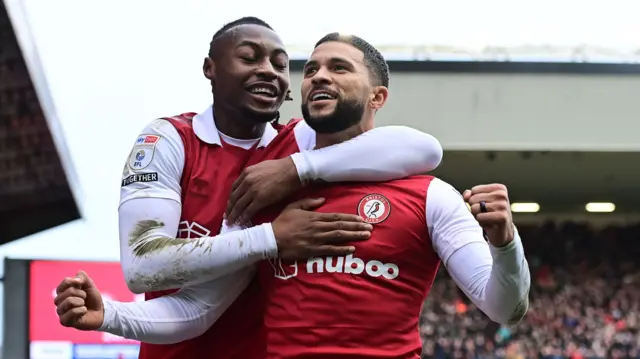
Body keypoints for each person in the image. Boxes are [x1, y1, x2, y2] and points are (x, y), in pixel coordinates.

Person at [55, 32, 529, 358]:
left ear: (377, 97)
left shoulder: (430, 197)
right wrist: (109, 314)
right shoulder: (264, 204)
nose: (319, 75)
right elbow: (197, 309)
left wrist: (505, 243)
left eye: (340, 68)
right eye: (312, 69)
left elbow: (506, 307)